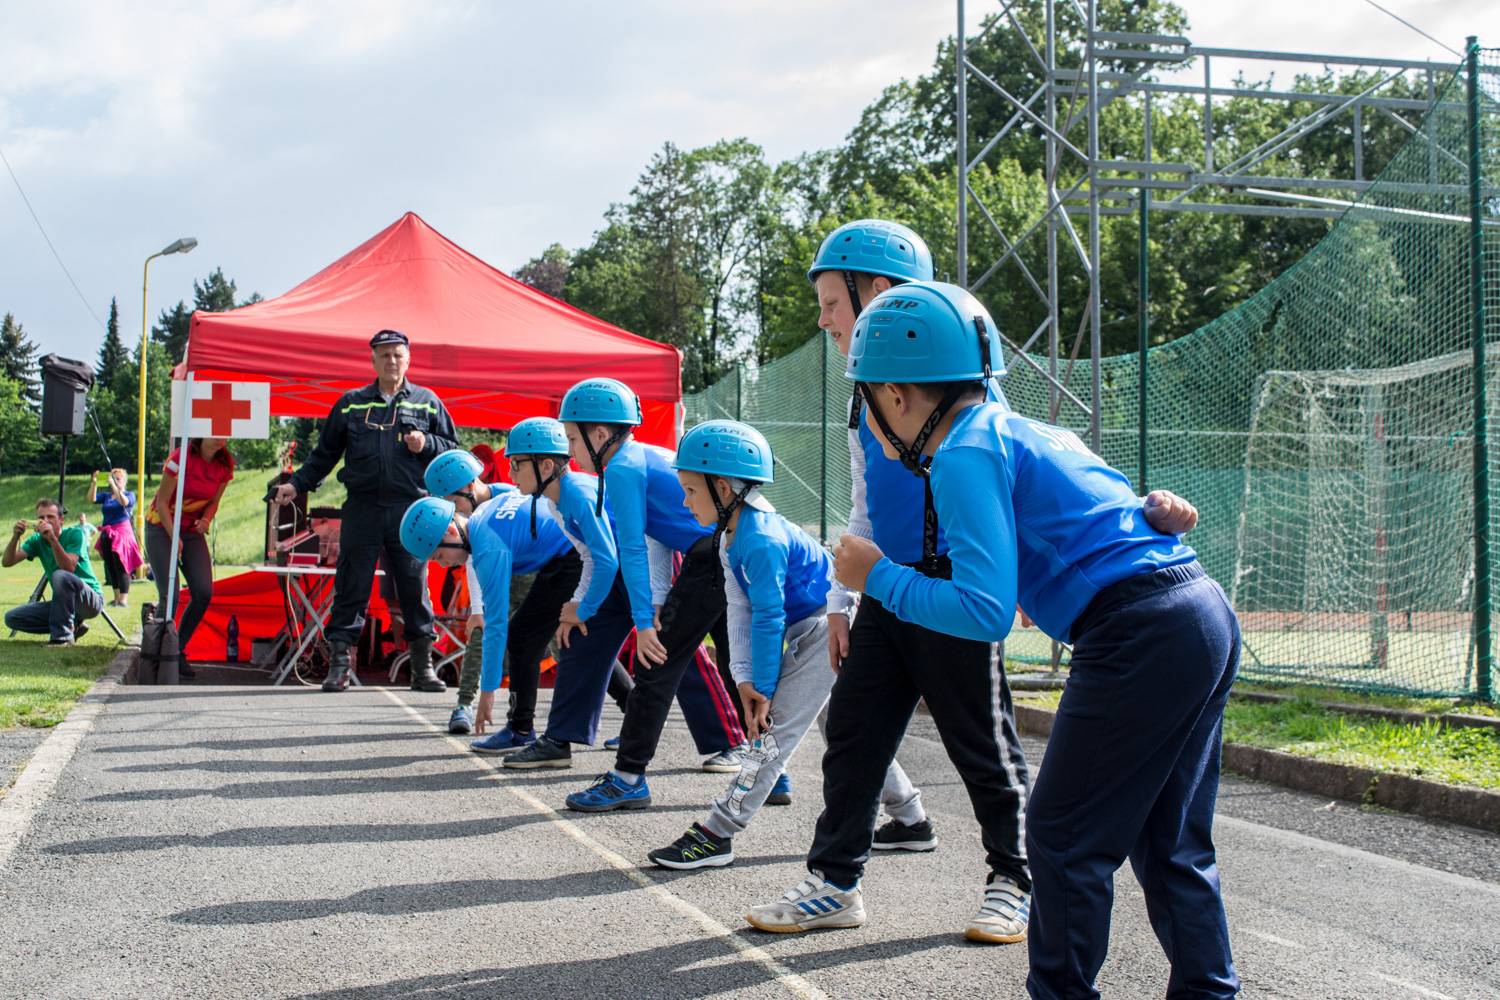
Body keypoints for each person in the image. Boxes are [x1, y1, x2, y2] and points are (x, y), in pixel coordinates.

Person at [765, 280, 1240, 998]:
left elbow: (984, 612)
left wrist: (876, 576)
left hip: (1135, 630)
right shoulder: (1021, 427)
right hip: (1197, 608)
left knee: (1062, 835)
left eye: (864, 398)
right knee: (1169, 840)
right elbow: (1110, 510)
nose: (866, 420)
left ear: (894, 396)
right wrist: (1160, 506)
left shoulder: (960, 452)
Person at [513, 377, 747, 795]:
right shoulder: (628, 461)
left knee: (663, 659)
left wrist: (643, 619)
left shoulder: (621, 468)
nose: (569, 449)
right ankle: (769, 773)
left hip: (709, 559)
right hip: (703, 557)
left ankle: (639, 775)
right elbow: (654, 536)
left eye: (573, 438)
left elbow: (632, 549)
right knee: (728, 664)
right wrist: (651, 602)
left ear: (600, 434)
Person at [647, 421, 833, 870]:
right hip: (814, 627)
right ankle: (911, 818)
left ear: (724, 489)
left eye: (691, 491)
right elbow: (739, 605)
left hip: (827, 629)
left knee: (771, 736)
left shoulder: (762, 539)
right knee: (850, 730)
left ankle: (717, 832)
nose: (685, 502)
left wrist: (762, 689)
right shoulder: (732, 535)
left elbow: (768, 617)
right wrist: (746, 677)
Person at [271, 329, 458, 693]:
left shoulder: (428, 402)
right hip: (363, 508)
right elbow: (324, 454)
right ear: (373, 360)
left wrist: (426, 443)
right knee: (351, 586)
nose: (392, 361)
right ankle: (339, 666)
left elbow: (452, 449)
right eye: (384, 355)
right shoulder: (351, 404)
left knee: (414, 588)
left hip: (411, 510)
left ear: (408, 359)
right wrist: (297, 485)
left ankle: (423, 668)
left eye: (398, 355)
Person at [399, 462, 607, 770]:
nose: (443, 565)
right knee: (540, 638)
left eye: (439, 556)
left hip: (573, 557)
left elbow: (495, 625)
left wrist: (487, 692)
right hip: (562, 556)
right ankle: (524, 727)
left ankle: (525, 730)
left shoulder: (487, 547)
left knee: (537, 638)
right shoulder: (486, 509)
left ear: (451, 530)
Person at [146, 438, 235, 677]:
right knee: (170, 595)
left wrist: (206, 520)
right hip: (161, 525)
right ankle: (155, 658)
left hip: (191, 531)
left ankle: (176, 651)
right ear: (202, 434)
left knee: (204, 592)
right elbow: (162, 503)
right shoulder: (180, 458)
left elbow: (214, 502)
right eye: (215, 435)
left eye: (224, 436)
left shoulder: (225, 465)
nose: (220, 441)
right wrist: (174, 536)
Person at [3, 498, 104, 645]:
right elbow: (7, 562)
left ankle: (62, 638)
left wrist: (53, 540)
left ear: (61, 520)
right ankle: (74, 625)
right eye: (41, 517)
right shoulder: (36, 540)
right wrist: (15, 537)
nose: (45, 521)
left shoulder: (75, 534)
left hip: (89, 600)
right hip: (63, 604)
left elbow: (68, 568)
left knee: (60, 575)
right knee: (12, 618)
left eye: (50, 517)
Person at [93, 468, 143, 608]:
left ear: (124, 481)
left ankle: (123, 599)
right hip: (107, 533)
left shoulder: (129, 495)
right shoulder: (107, 496)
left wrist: (114, 486)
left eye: (118, 478)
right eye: (113, 478)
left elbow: (124, 502)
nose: (115, 481)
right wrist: (94, 482)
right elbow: (92, 498)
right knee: (110, 566)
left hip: (122, 534)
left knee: (121, 565)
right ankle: (116, 598)